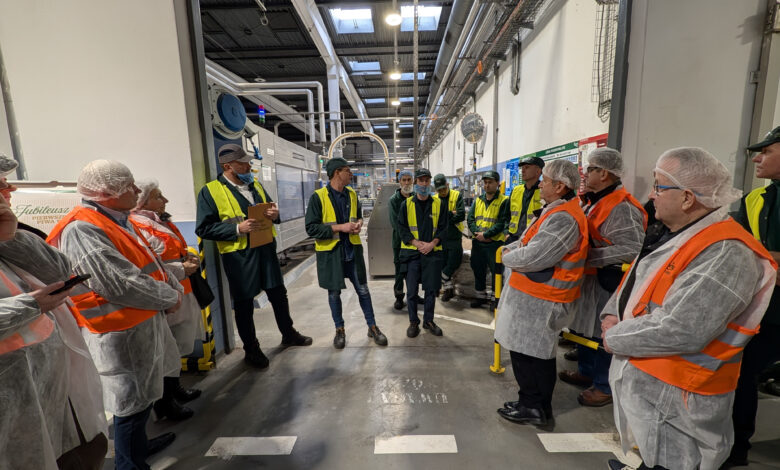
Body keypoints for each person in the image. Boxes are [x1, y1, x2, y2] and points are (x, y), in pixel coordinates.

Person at [602, 148, 776, 470]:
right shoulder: (676, 236)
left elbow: (682, 328)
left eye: (658, 186)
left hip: (679, 397)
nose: (651, 195)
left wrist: (614, 337)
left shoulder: (726, 253)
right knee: (654, 456)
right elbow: (637, 282)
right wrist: (612, 313)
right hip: (654, 384)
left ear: (686, 198)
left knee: (673, 461)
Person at [47, 160, 185, 470]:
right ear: (106, 193)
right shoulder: (82, 229)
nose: (137, 190)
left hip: (141, 323)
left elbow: (149, 264)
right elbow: (119, 283)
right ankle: (129, 463)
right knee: (130, 404)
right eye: (129, 186)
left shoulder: (118, 220)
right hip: (120, 333)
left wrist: (172, 288)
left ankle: (140, 447)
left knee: (144, 397)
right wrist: (170, 297)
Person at [0, 157, 108, 470]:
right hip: (13, 403)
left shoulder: (13, 234)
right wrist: (31, 306)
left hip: (56, 392)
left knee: (87, 451)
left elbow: (59, 273)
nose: (10, 188)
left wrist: (10, 237)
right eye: (0, 183)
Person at [196, 144, 311, 369]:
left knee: (278, 294)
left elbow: (272, 210)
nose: (249, 167)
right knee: (244, 303)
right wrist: (237, 229)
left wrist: (275, 214)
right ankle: (251, 349)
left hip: (265, 248)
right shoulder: (210, 191)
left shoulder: (255, 185)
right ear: (227, 166)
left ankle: (288, 333)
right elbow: (203, 228)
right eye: (243, 164)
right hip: (239, 255)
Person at [495, 159, 588, 426]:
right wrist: (515, 249)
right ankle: (529, 401)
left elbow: (534, 256)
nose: (540, 186)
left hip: (543, 299)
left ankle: (535, 407)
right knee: (524, 354)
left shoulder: (564, 218)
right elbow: (526, 241)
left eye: (544, 181)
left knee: (534, 356)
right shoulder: (554, 211)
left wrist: (506, 256)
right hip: (533, 297)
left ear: (560, 186)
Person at [561, 148, 646, 407]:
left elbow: (632, 247)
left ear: (604, 173)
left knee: (602, 334)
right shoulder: (595, 201)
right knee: (585, 328)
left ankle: (603, 385)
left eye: (590, 169)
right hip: (590, 280)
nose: (585, 174)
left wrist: (588, 257)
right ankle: (586, 372)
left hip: (609, 282)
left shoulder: (621, 207)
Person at [727, 126, 780, 467]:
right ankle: (736, 448)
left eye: (767, 151)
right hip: (766, 310)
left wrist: (767, 259)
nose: (758, 159)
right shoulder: (754, 200)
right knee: (741, 370)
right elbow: (740, 249)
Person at [131, 180, 203, 421]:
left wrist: (189, 257)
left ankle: (175, 389)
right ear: (143, 202)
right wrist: (182, 268)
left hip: (180, 289)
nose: (165, 201)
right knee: (165, 350)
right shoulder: (136, 226)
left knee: (177, 345)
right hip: (164, 295)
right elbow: (147, 267)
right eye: (158, 197)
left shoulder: (159, 221)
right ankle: (165, 403)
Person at [305, 157, 388, 349]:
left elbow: (357, 216)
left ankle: (372, 327)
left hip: (352, 252)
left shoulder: (351, 194)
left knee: (363, 290)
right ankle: (339, 330)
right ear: (337, 173)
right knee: (334, 294)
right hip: (331, 254)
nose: (351, 174)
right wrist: (340, 227)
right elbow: (311, 228)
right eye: (347, 171)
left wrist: (358, 224)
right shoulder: (318, 197)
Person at [398, 168, 448, 337]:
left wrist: (432, 244)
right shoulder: (406, 205)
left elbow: (444, 228)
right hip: (412, 254)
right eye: (421, 180)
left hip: (432, 253)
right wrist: (416, 243)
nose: (424, 184)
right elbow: (402, 228)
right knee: (412, 291)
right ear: (416, 183)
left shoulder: (439, 204)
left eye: (427, 180)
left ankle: (428, 321)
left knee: (431, 290)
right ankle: (413, 322)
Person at [466, 170, 510, 308]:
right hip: (478, 243)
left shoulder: (504, 201)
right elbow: (470, 219)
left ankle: (495, 299)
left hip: (494, 244)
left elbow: (502, 222)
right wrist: (477, 234)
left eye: (490, 182)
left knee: (497, 272)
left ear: (497, 183)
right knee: (478, 269)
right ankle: (480, 296)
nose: (487, 185)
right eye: (485, 182)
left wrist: (486, 235)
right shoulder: (478, 200)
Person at [432, 173, 465, 302]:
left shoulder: (456, 195)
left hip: (454, 235)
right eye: (439, 190)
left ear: (447, 185)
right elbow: (433, 217)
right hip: (440, 237)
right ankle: (448, 290)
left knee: (454, 261)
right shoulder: (434, 199)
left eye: (444, 189)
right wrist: (451, 213)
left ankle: (441, 279)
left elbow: (461, 215)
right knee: (443, 263)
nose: (442, 192)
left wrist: (444, 218)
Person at [389, 169, 414, 310]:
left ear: (413, 181)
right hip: (400, 242)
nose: (406, 183)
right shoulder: (394, 200)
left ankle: (413, 295)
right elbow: (395, 223)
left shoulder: (417, 197)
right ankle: (399, 297)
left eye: (409, 180)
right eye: (404, 180)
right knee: (399, 270)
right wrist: (410, 239)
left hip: (416, 243)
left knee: (414, 271)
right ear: (399, 182)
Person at [506, 156, 544, 244]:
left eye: (527, 167)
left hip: (532, 239)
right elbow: (506, 214)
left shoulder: (544, 191)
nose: (523, 171)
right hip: (512, 238)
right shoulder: (516, 190)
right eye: (522, 168)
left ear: (538, 171)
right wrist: (506, 233)